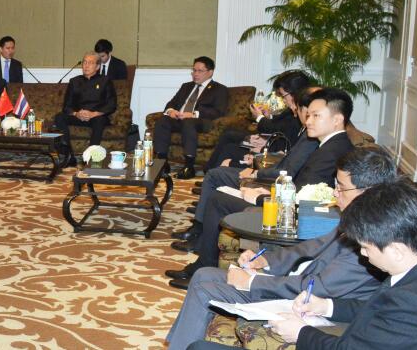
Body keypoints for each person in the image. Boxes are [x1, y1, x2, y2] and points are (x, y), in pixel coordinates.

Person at [165, 147, 395, 349]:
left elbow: (319, 288)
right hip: (296, 285)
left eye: (341, 188)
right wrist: (266, 260)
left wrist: (252, 281)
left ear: (367, 191)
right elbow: (309, 248)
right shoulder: (357, 218)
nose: (335, 193)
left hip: (308, 305)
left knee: (203, 289)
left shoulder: (373, 241)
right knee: (204, 273)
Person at [191, 178, 417, 349]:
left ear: (396, 251)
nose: (362, 254)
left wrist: (301, 333)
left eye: (367, 247)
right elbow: (376, 308)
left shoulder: (413, 302)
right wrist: (327, 306)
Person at [166, 88, 356, 283]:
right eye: (308, 115)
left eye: (316, 116)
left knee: (217, 200)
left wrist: (260, 198)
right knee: (220, 194)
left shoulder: (331, 151)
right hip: (288, 205)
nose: (308, 121)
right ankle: (203, 262)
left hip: (292, 217)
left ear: (337, 119)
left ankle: (203, 268)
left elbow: (305, 198)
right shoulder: (330, 145)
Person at [173, 86, 319, 247]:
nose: (293, 109)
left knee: (215, 176)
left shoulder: (310, 137)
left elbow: (288, 170)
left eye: (297, 107)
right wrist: (258, 158)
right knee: (218, 170)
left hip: (276, 185)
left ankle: (198, 231)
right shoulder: (306, 132)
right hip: (273, 172)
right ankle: (199, 224)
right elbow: (286, 158)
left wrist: (256, 173)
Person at [203, 70, 312, 171]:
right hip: (271, 145)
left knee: (229, 146)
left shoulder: (302, 115)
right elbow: (282, 127)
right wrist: (269, 117)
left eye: (283, 96)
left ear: (294, 93)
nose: (283, 100)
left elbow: (284, 138)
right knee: (229, 140)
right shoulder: (294, 110)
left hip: (273, 153)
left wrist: (260, 119)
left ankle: (211, 174)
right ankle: (210, 173)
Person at [152, 56, 230, 180]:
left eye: (200, 71)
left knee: (189, 122)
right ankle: (162, 163)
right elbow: (171, 103)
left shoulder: (220, 89)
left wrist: (194, 114)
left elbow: (218, 112)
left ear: (210, 72)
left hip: (201, 122)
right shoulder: (186, 86)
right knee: (162, 121)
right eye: (194, 70)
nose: (195, 74)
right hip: (180, 119)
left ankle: (189, 167)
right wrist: (171, 111)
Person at [53, 52, 117, 165]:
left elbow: (111, 105)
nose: (86, 66)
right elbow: (66, 106)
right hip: (79, 116)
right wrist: (76, 114)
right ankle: (69, 156)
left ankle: (91, 157)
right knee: (59, 117)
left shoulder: (105, 81)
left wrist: (93, 114)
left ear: (97, 67)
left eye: (90, 63)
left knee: (99, 121)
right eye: (84, 62)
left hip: (96, 116)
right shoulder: (74, 81)